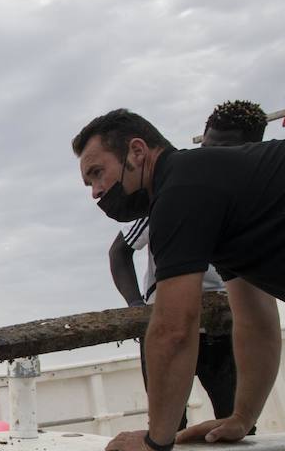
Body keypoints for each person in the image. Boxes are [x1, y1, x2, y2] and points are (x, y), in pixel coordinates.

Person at [71, 108, 285, 451]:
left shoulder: (181, 191)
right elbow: (256, 320)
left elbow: (174, 328)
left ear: (137, 152)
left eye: (97, 173)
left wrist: (156, 440)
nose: (95, 191)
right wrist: (242, 418)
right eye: (89, 183)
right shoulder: (212, 192)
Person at [106, 101, 270, 430]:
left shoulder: (253, 203)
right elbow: (119, 252)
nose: (210, 157)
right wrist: (138, 305)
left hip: (223, 327)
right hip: (166, 321)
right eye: (206, 148)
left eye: (223, 150)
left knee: (238, 423)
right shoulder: (173, 195)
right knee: (168, 425)